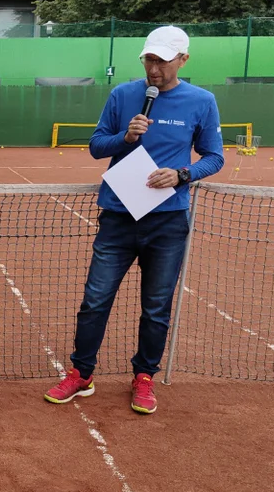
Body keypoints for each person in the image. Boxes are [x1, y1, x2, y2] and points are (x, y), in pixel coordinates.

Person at [44, 26, 224, 414]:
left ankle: (144, 379)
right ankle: (81, 374)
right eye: (149, 59)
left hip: (168, 223)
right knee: (95, 300)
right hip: (118, 217)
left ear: (183, 60)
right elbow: (96, 146)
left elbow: (214, 156)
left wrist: (182, 174)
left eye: (162, 60)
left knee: (156, 306)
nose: (153, 68)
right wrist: (125, 138)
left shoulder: (202, 101)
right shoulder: (123, 94)